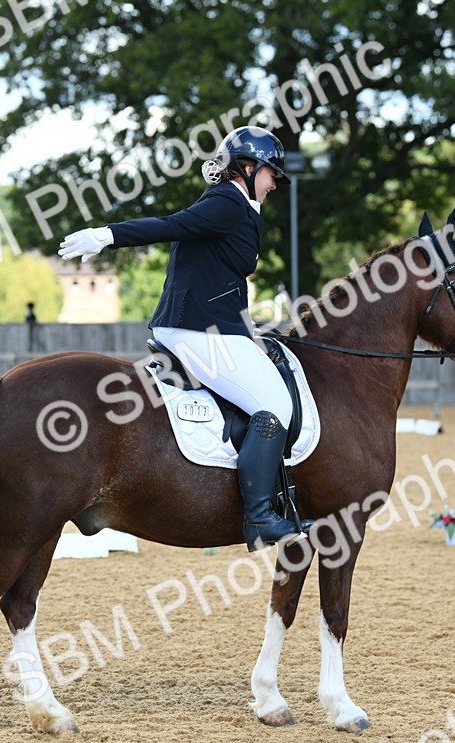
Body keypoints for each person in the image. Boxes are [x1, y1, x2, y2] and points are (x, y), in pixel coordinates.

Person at [58, 126, 309, 552]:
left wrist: (251, 329)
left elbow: (222, 281)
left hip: (210, 325)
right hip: (198, 331)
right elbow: (171, 225)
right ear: (247, 168)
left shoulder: (239, 206)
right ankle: (261, 516)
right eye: (270, 174)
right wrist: (108, 235)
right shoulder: (228, 203)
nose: (273, 184)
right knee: (275, 406)